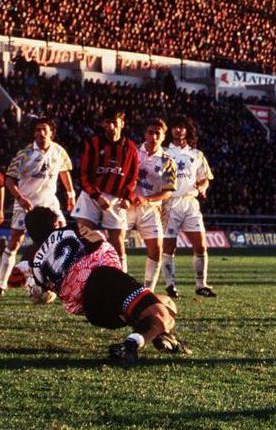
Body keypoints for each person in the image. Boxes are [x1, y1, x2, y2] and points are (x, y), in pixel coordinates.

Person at [20, 206, 187, 366]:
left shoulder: (35, 263)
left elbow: (42, 292)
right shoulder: (71, 229)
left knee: (166, 303)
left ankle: (157, 335)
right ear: (55, 223)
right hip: (103, 278)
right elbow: (99, 240)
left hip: (92, 311)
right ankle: (130, 346)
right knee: (163, 314)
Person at [0, 118, 75, 296]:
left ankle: (62, 281)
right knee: (15, 242)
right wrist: (20, 198)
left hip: (49, 203)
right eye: (37, 130)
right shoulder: (24, 154)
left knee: (63, 237)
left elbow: (64, 172)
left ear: (51, 133)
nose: (40, 133)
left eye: (43, 129)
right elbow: (9, 180)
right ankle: (1, 284)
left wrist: (71, 194)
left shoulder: (59, 152)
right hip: (26, 204)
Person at [72, 108, 139, 272]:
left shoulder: (130, 148)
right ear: (103, 123)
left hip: (116, 199)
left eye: (114, 123)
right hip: (92, 195)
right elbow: (83, 175)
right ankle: (81, 276)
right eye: (107, 122)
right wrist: (97, 196)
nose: (111, 127)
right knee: (82, 236)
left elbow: (133, 177)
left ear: (122, 124)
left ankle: (123, 279)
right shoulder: (93, 144)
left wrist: (128, 197)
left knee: (117, 242)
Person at [160, 115, 216, 298]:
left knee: (201, 246)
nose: (178, 130)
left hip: (191, 204)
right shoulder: (164, 152)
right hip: (170, 203)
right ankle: (170, 285)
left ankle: (201, 285)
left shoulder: (197, 154)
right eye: (175, 127)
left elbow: (205, 178)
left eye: (181, 127)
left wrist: (202, 187)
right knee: (169, 246)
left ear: (187, 130)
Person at [125, 118, 177, 290]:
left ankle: (148, 290)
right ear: (145, 134)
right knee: (114, 246)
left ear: (163, 137)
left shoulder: (167, 161)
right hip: (125, 205)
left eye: (158, 133)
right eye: (150, 132)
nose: (153, 136)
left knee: (156, 249)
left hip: (149, 208)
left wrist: (147, 199)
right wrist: (128, 194)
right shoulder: (131, 151)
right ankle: (116, 287)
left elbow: (168, 191)